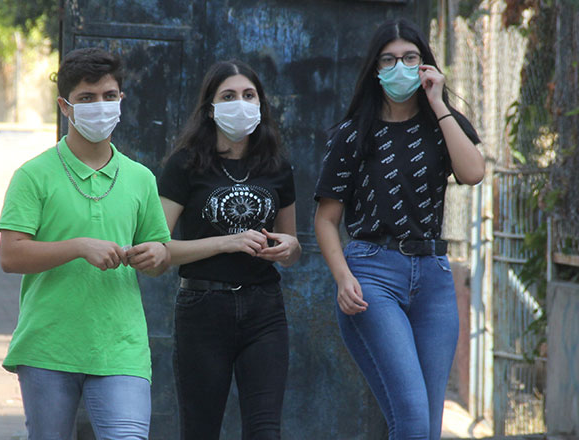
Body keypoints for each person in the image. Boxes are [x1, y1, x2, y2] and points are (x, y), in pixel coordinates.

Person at [314, 19, 484, 440]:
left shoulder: (442, 125)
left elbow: (474, 172)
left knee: (426, 427)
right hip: (373, 273)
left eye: (410, 58)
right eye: (388, 60)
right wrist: (342, 278)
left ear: (426, 65)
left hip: (434, 278)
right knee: (409, 420)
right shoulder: (353, 134)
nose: (400, 67)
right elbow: (326, 219)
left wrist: (439, 103)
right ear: (374, 69)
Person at [0, 47, 171, 439]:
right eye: (86, 98)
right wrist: (78, 246)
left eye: (109, 96)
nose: (100, 107)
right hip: (48, 347)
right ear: (65, 106)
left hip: (121, 348)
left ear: (122, 100)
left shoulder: (140, 178)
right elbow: (10, 255)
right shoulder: (33, 175)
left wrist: (157, 254)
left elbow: (161, 253)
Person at [158, 60, 300, 439]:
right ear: (210, 108)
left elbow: (293, 244)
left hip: (264, 308)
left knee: (265, 430)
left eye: (249, 95)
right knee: (201, 429)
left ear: (261, 104)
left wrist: (288, 247)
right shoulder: (185, 165)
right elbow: (158, 249)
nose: (241, 103)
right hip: (203, 309)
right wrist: (227, 242)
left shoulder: (277, 166)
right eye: (229, 96)